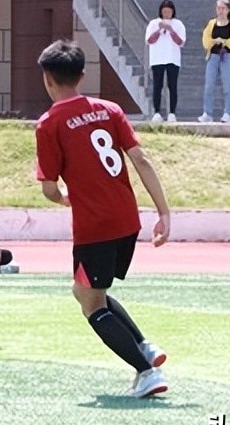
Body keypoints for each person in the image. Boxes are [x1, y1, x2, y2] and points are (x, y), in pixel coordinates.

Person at [35, 39, 172, 398]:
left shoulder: (49, 124)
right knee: (88, 291)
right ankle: (145, 347)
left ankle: (146, 372)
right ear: (82, 75)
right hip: (127, 220)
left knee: (89, 300)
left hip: (94, 226)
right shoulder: (110, 110)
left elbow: (48, 187)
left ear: (47, 79)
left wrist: (64, 198)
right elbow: (141, 160)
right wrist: (163, 212)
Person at [198, 0, 230, 123]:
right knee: (209, 86)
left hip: (227, 57)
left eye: (223, 8)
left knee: (228, 86)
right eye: (218, 8)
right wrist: (213, 41)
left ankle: (227, 113)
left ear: (228, 10)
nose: (220, 11)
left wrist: (225, 42)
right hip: (213, 56)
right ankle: (207, 113)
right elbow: (205, 40)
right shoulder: (212, 23)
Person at [145, 0, 186, 123]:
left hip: (172, 59)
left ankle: (172, 112)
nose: (166, 14)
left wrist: (171, 30)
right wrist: (159, 30)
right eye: (164, 11)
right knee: (157, 86)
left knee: (172, 86)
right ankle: (157, 112)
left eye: (169, 11)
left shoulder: (178, 24)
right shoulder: (154, 23)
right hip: (157, 58)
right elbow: (149, 40)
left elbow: (181, 42)